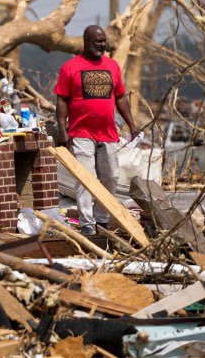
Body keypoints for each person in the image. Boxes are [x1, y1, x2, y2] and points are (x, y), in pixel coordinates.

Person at [53, 25, 140, 235]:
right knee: (85, 177)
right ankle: (87, 223)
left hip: (108, 132)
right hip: (81, 132)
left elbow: (120, 97)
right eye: (98, 41)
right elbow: (62, 100)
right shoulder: (70, 67)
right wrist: (62, 131)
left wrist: (132, 125)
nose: (103, 45)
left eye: (104, 41)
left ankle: (102, 219)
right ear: (86, 41)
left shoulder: (112, 66)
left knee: (111, 176)